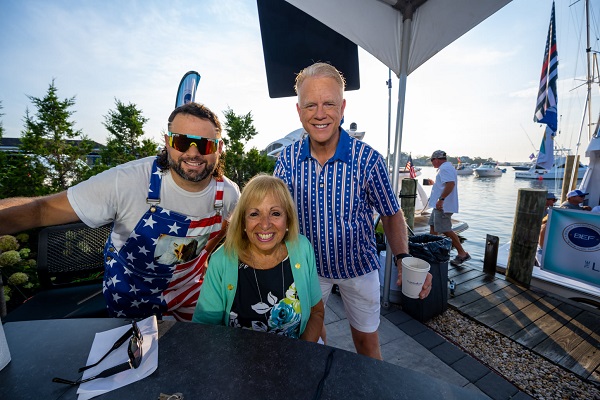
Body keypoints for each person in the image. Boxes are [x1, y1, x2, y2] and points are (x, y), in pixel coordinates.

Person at [0, 102, 240, 321]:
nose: (193, 153)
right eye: (181, 142)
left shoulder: (228, 194)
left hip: (189, 292)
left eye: (205, 144)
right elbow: (42, 210)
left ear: (219, 148)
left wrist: (205, 255)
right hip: (131, 296)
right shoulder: (126, 181)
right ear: (168, 143)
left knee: (198, 354)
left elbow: (226, 228)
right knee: (137, 363)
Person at [274, 62, 432, 359]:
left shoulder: (369, 160)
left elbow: (391, 213)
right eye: (310, 105)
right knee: (309, 340)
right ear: (299, 111)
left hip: (359, 268)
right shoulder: (287, 159)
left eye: (329, 103)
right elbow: (273, 211)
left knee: (366, 344)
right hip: (308, 270)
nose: (320, 113)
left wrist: (403, 258)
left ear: (342, 107)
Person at [192, 174, 324, 341]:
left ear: (288, 219)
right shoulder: (221, 261)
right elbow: (205, 329)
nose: (265, 224)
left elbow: (316, 312)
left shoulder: (302, 248)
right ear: (243, 222)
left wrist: (300, 359)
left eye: (275, 213)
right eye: (254, 214)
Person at [428, 150, 471, 266]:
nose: (432, 163)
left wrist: (441, 199)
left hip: (443, 206)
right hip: (439, 205)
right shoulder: (446, 168)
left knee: (445, 229)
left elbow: (450, 184)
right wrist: (435, 184)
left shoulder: (445, 168)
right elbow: (445, 184)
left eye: (432, 161)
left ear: (436, 159)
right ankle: (432, 250)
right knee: (433, 226)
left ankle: (462, 253)